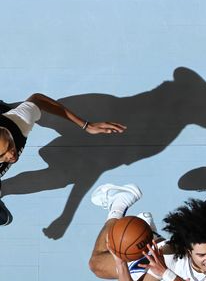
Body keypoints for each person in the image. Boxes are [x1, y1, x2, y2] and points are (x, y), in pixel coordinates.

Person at [0, 93, 125, 226]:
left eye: (10, 146)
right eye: (2, 155)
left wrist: (86, 125)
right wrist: (67, 216)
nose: (11, 155)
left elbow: (38, 99)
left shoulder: (19, 122)